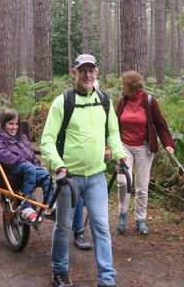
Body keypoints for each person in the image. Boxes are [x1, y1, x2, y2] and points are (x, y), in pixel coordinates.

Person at [41, 53, 126, 287]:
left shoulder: (104, 100)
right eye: (83, 70)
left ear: (96, 73)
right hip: (69, 178)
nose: (88, 74)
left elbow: (113, 133)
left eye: (92, 70)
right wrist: (58, 166)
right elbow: (47, 140)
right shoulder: (63, 102)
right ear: (74, 73)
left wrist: (119, 155)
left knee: (101, 226)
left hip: (97, 176)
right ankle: (59, 270)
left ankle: (107, 279)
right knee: (64, 226)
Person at [115, 70, 175, 236]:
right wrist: (109, 145)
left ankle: (140, 219)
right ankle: (122, 214)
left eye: (123, 85)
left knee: (142, 186)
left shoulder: (149, 101)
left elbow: (160, 125)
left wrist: (168, 144)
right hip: (123, 146)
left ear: (130, 86)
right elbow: (113, 125)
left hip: (144, 147)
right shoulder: (122, 102)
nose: (121, 87)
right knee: (123, 182)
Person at [0, 109, 54, 223]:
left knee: (46, 174)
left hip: (25, 168)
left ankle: (49, 206)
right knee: (29, 168)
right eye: (10, 124)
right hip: (7, 169)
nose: (14, 127)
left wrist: (37, 165)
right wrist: (22, 162)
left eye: (16, 124)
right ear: (3, 124)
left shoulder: (22, 138)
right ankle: (26, 208)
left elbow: (31, 155)